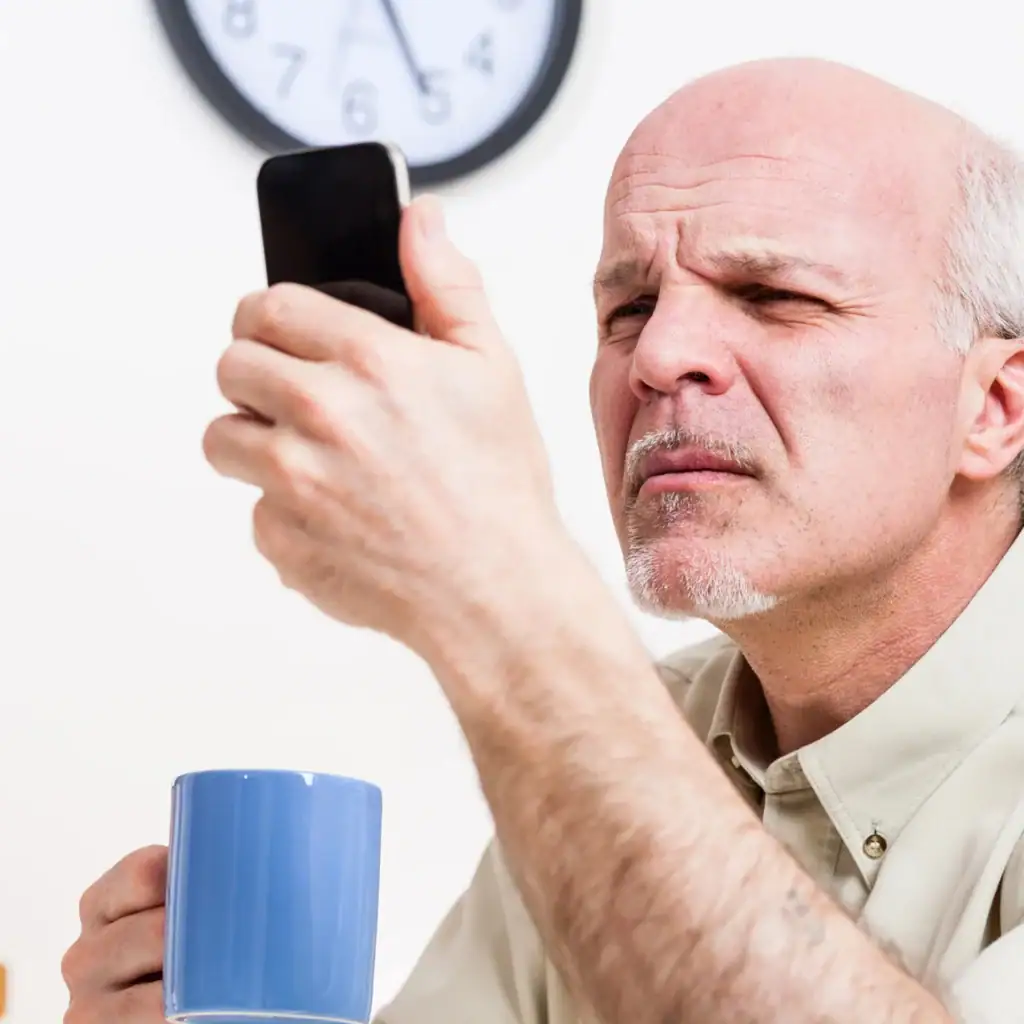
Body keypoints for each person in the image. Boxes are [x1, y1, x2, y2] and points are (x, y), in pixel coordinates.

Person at [61, 56, 1024, 1024]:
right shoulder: (642, 737)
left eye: (772, 294)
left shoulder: (586, 733)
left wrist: (499, 587)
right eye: (629, 309)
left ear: (993, 406)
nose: (656, 355)